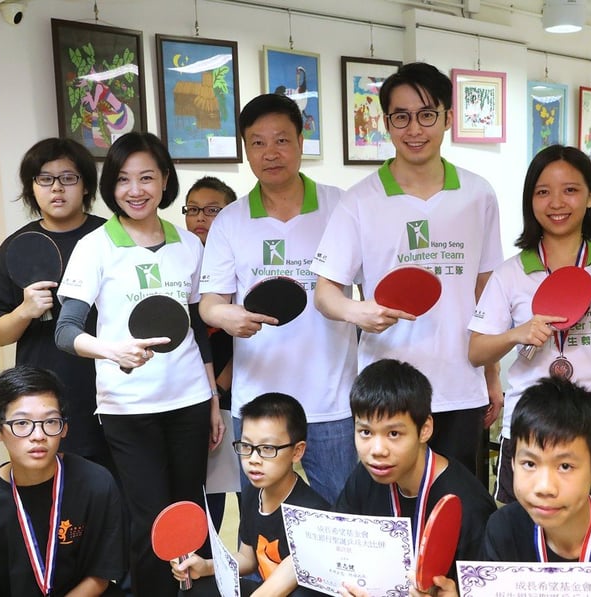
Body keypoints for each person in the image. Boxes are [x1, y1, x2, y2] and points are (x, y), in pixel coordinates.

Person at [312, 62, 504, 479]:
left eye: (427, 115)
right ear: (386, 123)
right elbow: (324, 292)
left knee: (460, 510)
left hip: (460, 385)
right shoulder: (360, 200)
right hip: (388, 389)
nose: (414, 129)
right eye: (401, 117)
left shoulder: (478, 194)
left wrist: (492, 374)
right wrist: (357, 312)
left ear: (448, 119)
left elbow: (487, 291)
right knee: (391, 517)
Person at [56, 132, 224, 597]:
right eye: (124, 179)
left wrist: (211, 400)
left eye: (147, 177)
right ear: (111, 186)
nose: (136, 189)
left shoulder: (188, 244)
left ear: (165, 181)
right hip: (127, 407)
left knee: (191, 509)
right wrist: (112, 350)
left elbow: (196, 328)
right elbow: (65, 331)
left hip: (189, 400)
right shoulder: (95, 246)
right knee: (149, 518)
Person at [199, 93, 357, 505]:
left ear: (302, 141)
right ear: (245, 149)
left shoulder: (340, 205)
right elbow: (209, 303)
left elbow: (367, 285)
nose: (271, 153)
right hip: (258, 404)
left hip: (332, 400)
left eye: (282, 140)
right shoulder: (230, 220)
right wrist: (226, 315)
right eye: (258, 142)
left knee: (340, 519)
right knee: (261, 524)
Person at [468, 144, 591, 504]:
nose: (557, 202)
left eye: (571, 190)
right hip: (531, 432)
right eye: (543, 192)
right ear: (530, 201)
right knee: (524, 540)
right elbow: (476, 350)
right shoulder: (509, 273)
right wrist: (518, 333)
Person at [414, 376, 591, 597]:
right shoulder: (503, 530)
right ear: (512, 464)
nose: (545, 487)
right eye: (530, 464)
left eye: (565, 467)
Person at [0, 138, 111, 471]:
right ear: (32, 188)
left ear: (85, 186)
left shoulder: (111, 238)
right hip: (47, 394)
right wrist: (25, 310)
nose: (57, 188)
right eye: (45, 179)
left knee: (113, 493)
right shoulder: (15, 248)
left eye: (68, 177)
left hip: (111, 388)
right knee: (61, 492)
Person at [0, 366, 125, 596]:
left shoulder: (96, 484)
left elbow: (101, 575)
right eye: (21, 423)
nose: (38, 435)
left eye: (50, 422)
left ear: (64, 428)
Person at [335, 359, 496, 597]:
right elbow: (340, 549)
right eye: (365, 432)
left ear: (425, 429)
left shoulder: (468, 505)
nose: (377, 450)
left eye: (394, 433)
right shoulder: (366, 475)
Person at [172, 392, 328, 596]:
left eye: (267, 448)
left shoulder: (312, 514)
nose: (253, 459)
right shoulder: (253, 493)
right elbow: (248, 559)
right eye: (246, 446)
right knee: (197, 588)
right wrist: (206, 566)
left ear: (297, 451)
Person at [184, 176, 241, 532]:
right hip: (192, 389)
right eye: (192, 210)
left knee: (239, 485)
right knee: (202, 486)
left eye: (212, 210)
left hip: (233, 387)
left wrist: (219, 387)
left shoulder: (237, 258)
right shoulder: (180, 261)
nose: (200, 218)